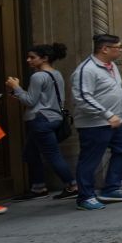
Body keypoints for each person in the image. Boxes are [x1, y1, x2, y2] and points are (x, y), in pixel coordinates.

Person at [70, 34, 122, 208]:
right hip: (95, 123)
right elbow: (83, 97)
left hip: (117, 120)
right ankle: (85, 196)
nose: (121, 51)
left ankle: (111, 188)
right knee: (90, 159)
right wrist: (107, 114)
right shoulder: (86, 69)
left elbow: (117, 90)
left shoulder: (112, 66)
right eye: (118, 47)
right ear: (105, 49)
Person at [6, 42, 76, 199]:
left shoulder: (37, 76)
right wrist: (18, 93)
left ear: (44, 58)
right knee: (30, 152)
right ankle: (38, 187)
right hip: (54, 118)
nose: (28, 60)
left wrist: (16, 87)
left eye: (32, 57)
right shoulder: (56, 74)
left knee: (52, 155)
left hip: (41, 120)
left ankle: (73, 185)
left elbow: (30, 101)